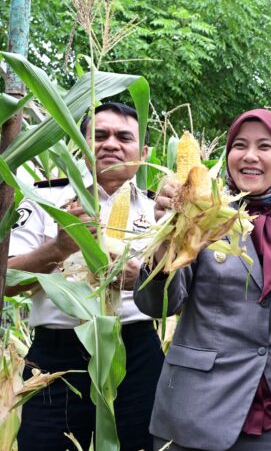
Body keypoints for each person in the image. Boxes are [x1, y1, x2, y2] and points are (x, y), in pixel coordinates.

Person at [134, 109, 271, 451]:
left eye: (265, 146)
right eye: (240, 145)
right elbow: (157, 305)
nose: (250, 156)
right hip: (199, 408)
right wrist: (167, 240)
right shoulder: (199, 212)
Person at [7, 102, 164, 451]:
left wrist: (140, 278)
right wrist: (59, 248)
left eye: (124, 137)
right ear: (81, 143)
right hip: (58, 355)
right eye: (100, 135)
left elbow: (176, 291)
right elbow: (8, 282)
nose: (111, 144)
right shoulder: (43, 198)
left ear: (144, 152)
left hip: (136, 351)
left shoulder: (160, 210)